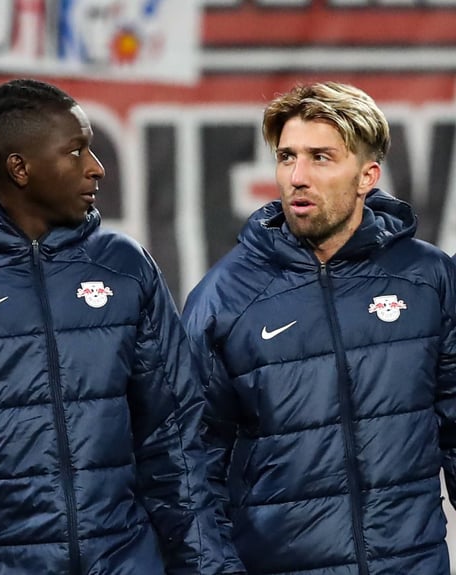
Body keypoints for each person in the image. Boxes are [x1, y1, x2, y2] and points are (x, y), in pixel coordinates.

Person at [0, 78, 244, 574]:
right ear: (20, 168)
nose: (96, 168)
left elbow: (175, 442)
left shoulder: (125, 269)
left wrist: (207, 568)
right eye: (76, 151)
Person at [182, 81, 456, 574]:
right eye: (286, 157)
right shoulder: (224, 298)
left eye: (320, 157)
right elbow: (189, 462)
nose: (297, 176)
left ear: (367, 175)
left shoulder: (429, 279)